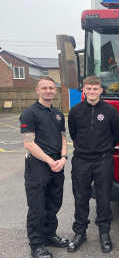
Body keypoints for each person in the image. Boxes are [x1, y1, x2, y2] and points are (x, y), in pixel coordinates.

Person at [67, 76, 119, 253]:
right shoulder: (75, 111)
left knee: (103, 198)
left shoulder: (110, 111)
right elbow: (74, 133)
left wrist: (104, 150)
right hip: (81, 160)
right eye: (88, 88)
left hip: (103, 160)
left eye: (95, 88)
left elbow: (116, 134)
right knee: (80, 197)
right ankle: (79, 233)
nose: (91, 91)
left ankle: (104, 234)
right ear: (83, 90)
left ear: (101, 90)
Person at [20, 76, 68, 258]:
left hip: (57, 164)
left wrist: (63, 157)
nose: (48, 91)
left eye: (51, 88)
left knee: (54, 203)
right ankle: (37, 244)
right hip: (39, 165)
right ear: (37, 91)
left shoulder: (57, 114)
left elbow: (63, 137)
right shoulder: (29, 113)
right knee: (37, 206)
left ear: (55, 91)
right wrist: (50, 161)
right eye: (44, 88)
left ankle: (49, 235)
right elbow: (29, 144)